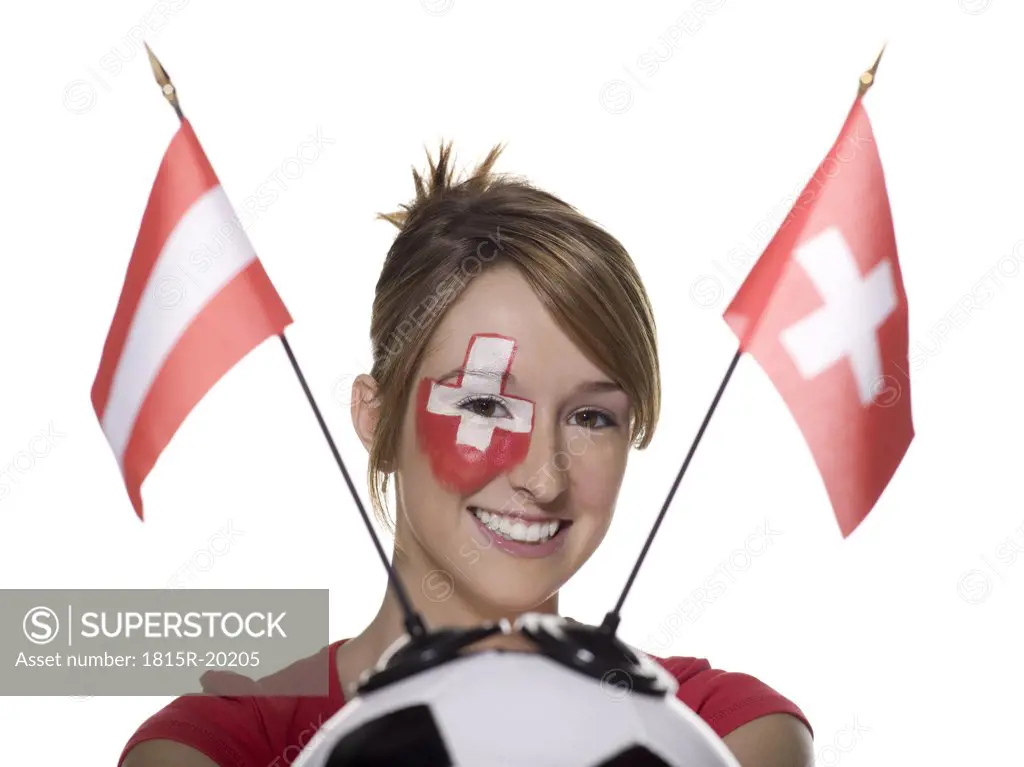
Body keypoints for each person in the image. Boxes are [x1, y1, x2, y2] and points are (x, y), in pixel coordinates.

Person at [120, 142, 814, 767]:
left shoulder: (722, 731)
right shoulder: (216, 745)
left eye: (591, 416)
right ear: (378, 416)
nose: (543, 476)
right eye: (484, 404)